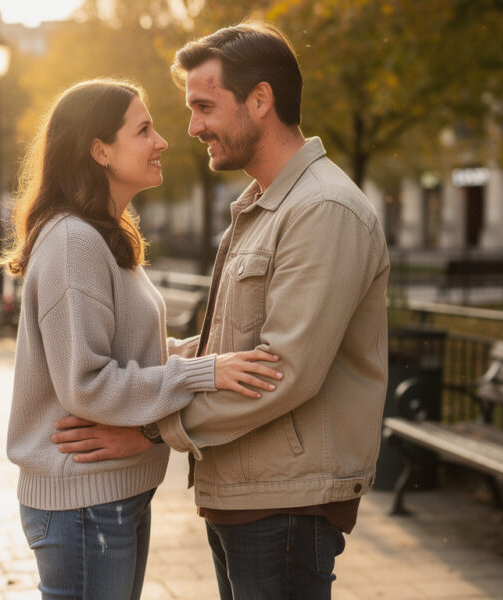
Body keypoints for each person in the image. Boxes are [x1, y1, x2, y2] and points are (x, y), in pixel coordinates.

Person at [51, 23, 390, 599]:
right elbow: (228, 350)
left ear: (261, 100)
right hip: (247, 490)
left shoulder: (322, 209)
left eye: (205, 106)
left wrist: (152, 431)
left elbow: (283, 370)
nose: (192, 127)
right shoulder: (264, 205)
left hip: (285, 501)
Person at [0, 78, 283, 600]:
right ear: (100, 150)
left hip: (110, 494)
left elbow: (132, 355)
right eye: (144, 130)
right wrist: (204, 372)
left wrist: (209, 354)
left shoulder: (103, 234)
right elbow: (86, 383)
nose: (163, 142)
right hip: (83, 501)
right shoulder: (73, 242)